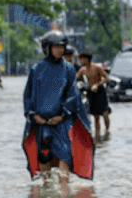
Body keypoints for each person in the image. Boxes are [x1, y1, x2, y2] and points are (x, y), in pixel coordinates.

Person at [22, 30, 95, 183]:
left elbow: (73, 95)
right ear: (48, 48)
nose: (59, 50)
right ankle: (47, 193)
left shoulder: (68, 69)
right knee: (44, 157)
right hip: (42, 122)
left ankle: (64, 193)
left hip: (62, 121)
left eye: (62, 47)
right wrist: (33, 115)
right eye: (56, 47)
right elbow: (28, 95)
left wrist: (62, 114)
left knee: (65, 155)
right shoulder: (37, 70)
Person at [76, 51, 111, 138]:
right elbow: (76, 79)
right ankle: (97, 134)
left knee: (105, 113)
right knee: (95, 116)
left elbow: (106, 78)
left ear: (86, 59)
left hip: (100, 92)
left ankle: (107, 131)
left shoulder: (96, 68)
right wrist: (81, 83)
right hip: (90, 92)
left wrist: (97, 85)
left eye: (82, 59)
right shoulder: (82, 70)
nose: (80, 61)